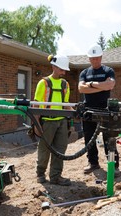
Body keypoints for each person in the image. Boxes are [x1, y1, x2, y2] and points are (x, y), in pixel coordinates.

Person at [78, 44, 120, 175]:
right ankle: (93, 163)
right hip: (89, 110)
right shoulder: (84, 73)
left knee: (109, 138)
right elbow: (81, 88)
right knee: (89, 138)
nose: (94, 61)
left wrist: (90, 84)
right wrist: (102, 86)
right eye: (92, 58)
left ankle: (114, 165)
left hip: (105, 109)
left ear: (101, 57)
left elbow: (111, 85)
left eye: (97, 58)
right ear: (89, 59)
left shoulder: (108, 71)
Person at [34, 55, 72, 186]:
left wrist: (75, 112)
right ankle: (40, 174)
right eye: (62, 69)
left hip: (61, 122)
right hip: (47, 122)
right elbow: (36, 105)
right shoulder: (43, 83)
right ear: (54, 67)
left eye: (64, 70)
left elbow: (65, 103)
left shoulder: (65, 84)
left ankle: (56, 176)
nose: (64, 72)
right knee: (44, 149)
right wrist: (36, 125)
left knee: (60, 149)